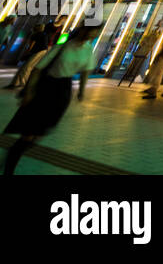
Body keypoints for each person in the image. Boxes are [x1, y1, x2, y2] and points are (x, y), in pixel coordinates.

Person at [4, 24, 103, 175]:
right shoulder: (63, 46)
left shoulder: (88, 49)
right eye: (91, 32)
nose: (93, 36)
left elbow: (85, 71)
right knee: (29, 133)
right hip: (46, 88)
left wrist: (81, 91)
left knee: (40, 133)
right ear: (83, 30)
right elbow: (38, 69)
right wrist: (29, 91)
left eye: (95, 34)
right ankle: (9, 167)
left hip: (63, 91)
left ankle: (13, 153)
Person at [6, 25, 52, 89]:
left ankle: (21, 83)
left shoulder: (35, 35)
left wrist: (25, 54)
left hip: (38, 52)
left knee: (27, 67)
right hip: (43, 52)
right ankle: (19, 83)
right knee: (28, 67)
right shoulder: (44, 34)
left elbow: (30, 47)